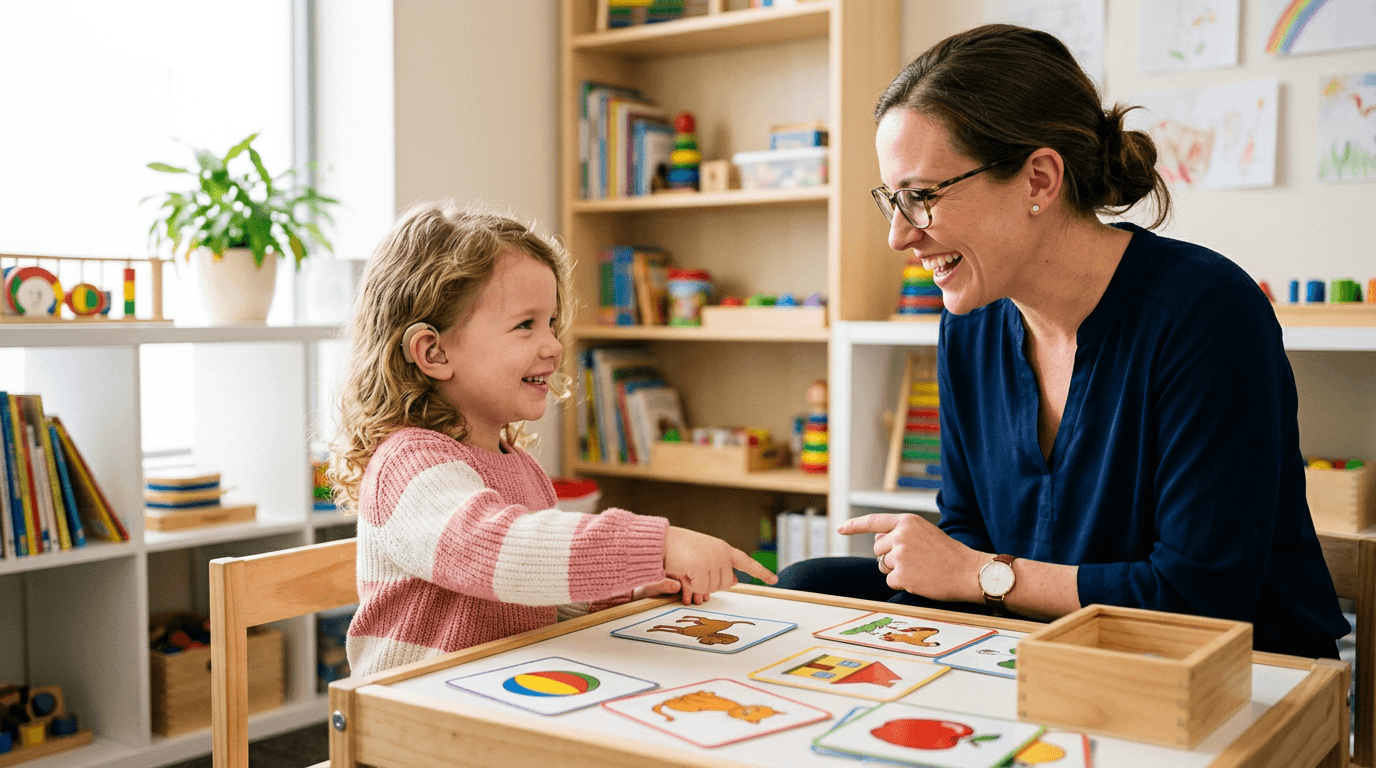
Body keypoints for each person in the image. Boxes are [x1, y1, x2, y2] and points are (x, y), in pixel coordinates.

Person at [776, 24, 1348, 658]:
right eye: (892, 200)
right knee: (808, 584)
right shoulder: (968, 324)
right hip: (1043, 634)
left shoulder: (1207, 313)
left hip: (1222, 662)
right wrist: (966, 573)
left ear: (1039, 180)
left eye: (922, 198)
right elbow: (967, 526)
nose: (900, 236)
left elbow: (1199, 597)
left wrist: (979, 576)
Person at [331, 200, 776, 676]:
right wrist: (655, 543)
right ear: (434, 352)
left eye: (550, 322)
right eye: (526, 325)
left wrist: (618, 595)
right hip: (409, 718)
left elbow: (526, 598)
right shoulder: (408, 464)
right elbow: (496, 550)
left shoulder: (519, 466)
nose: (554, 345)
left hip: (492, 692)